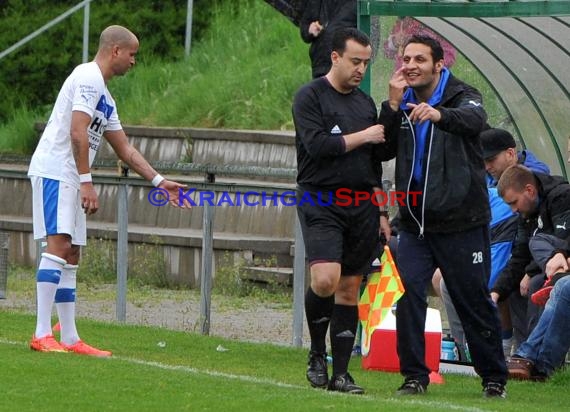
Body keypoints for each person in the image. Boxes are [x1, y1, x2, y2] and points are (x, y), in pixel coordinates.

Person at [27, 25, 190, 356]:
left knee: (72, 252)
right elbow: (77, 132)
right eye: (132, 55)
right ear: (115, 50)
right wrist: (87, 181)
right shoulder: (87, 77)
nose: (134, 62)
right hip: (57, 171)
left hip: (72, 174)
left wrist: (159, 181)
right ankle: (42, 333)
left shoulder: (105, 95)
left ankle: (70, 338)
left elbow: (125, 149)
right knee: (58, 245)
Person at [379, 35, 508, 398]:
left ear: (439, 64)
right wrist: (390, 107)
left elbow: (474, 120)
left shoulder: (463, 94)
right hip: (415, 224)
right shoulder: (400, 100)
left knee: (472, 299)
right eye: (406, 59)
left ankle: (494, 378)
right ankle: (414, 377)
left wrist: (438, 115)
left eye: (420, 59)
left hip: (461, 221)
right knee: (407, 295)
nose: (410, 65)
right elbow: (385, 148)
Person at [292, 27, 394, 394]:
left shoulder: (364, 103)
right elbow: (318, 146)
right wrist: (365, 136)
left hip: (362, 205)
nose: (361, 70)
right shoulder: (310, 96)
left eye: (366, 63)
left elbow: (375, 162)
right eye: (355, 61)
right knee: (325, 280)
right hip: (320, 199)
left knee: (350, 290)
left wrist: (382, 211)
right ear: (334, 57)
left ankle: (342, 373)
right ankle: (317, 354)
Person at [440, 128, 551, 359]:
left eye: (491, 160)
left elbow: (489, 209)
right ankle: (465, 349)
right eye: (483, 161)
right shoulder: (492, 176)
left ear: (510, 153)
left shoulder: (534, 176)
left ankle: (508, 348)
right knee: (443, 278)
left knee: (496, 279)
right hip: (498, 244)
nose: (487, 166)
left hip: (526, 256)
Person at [492, 165, 570, 308]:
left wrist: (530, 272)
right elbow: (520, 255)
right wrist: (497, 291)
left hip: (563, 263)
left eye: (514, 202)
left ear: (530, 190)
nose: (513, 210)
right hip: (544, 267)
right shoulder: (525, 213)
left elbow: (563, 240)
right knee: (514, 288)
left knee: (534, 282)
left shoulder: (561, 196)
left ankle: (556, 279)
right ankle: (527, 331)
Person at [299, 0, 357, 79]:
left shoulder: (362, 2)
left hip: (349, 67)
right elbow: (305, 28)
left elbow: (373, 38)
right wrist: (310, 29)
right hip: (321, 65)